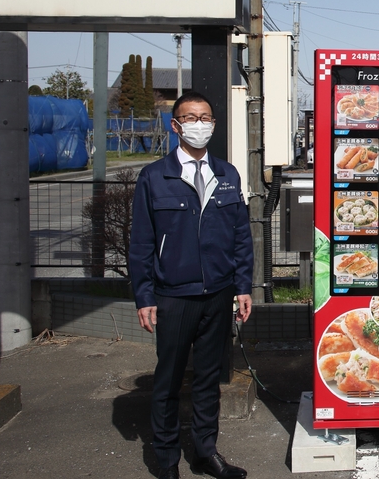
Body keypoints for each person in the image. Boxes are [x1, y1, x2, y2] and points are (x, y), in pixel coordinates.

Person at [130, 91, 253, 479]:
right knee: (167, 379)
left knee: (208, 378)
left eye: (205, 118)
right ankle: (166, 459)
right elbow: (141, 243)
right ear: (176, 125)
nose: (199, 124)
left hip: (217, 293)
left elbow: (240, 236)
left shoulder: (227, 174)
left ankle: (205, 452)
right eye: (190, 118)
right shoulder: (155, 176)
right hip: (173, 295)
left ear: (213, 125)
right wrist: (144, 296)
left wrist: (243, 285)